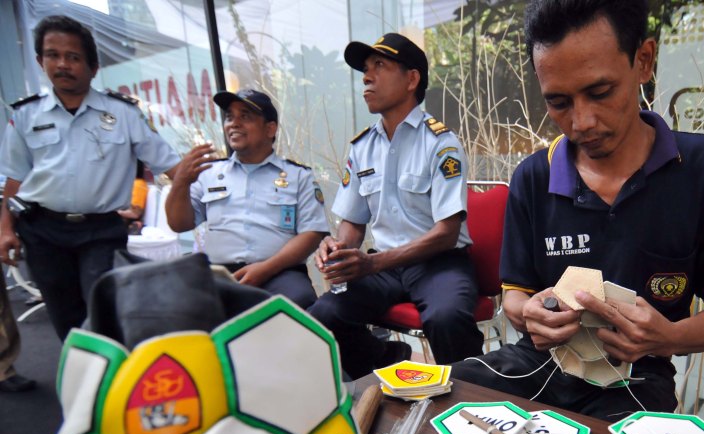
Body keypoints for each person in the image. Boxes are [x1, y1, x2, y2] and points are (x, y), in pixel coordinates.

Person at [451, 0, 704, 420]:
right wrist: (529, 316)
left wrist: (665, 337)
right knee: (441, 395)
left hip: (635, 376)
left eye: (600, 92)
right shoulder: (533, 178)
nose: (582, 122)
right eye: (559, 102)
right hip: (540, 362)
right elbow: (516, 295)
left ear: (644, 61)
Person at [309, 33, 484, 379]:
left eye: (379, 65)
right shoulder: (361, 147)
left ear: (412, 79)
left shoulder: (441, 143)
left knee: (446, 317)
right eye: (365, 69)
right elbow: (354, 222)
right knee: (322, 316)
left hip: (438, 263)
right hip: (384, 269)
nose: (366, 77)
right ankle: (385, 360)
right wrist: (339, 251)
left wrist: (371, 264)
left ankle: (474, 399)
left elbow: (446, 234)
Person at [0, 15, 180, 341]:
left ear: (93, 67)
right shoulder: (26, 115)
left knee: (102, 308)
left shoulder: (124, 113)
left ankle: (111, 381)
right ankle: (81, 383)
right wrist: (5, 229)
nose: (63, 64)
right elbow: (13, 180)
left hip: (100, 229)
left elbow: (170, 165)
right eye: (53, 55)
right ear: (41, 61)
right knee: (64, 315)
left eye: (73, 57)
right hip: (42, 229)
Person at [165, 89, 329, 309]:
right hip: (221, 273)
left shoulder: (299, 176)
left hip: (280, 272)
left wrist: (266, 268)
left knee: (299, 302)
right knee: (182, 306)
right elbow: (179, 223)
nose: (234, 123)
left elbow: (312, 233)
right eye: (230, 117)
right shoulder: (209, 173)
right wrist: (181, 182)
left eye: (245, 116)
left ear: (270, 128)